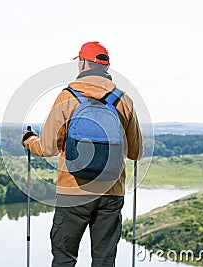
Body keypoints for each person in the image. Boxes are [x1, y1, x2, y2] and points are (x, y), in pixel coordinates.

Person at [22, 41, 143, 267]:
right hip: (111, 191)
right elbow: (135, 152)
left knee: (64, 258)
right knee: (104, 260)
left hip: (73, 191)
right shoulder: (124, 100)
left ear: (84, 63)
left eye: (79, 60)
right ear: (106, 67)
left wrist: (29, 141)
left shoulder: (67, 97)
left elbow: (47, 148)